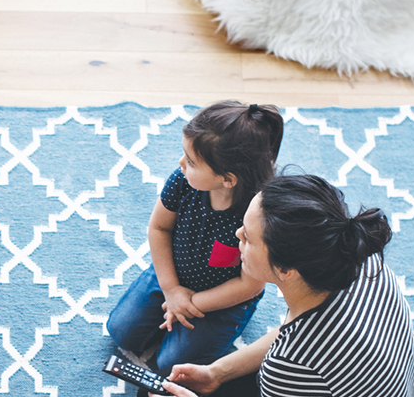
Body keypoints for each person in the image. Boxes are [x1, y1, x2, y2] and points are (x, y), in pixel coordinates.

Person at [114, 173, 414, 397]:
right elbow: (294, 332)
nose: (236, 236)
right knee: (157, 393)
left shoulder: (294, 361)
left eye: (248, 237)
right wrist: (216, 373)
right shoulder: (360, 261)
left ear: (286, 269)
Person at [106, 101, 285, 373]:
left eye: (190, 162)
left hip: (224, 300)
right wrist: (171, 289)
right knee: (121, 332)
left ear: (227, 179)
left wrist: (189, 303)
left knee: (170, 364)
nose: (181, 163)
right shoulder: (183, 180)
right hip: (173, 275)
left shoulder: (257, 215)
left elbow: (250, 285)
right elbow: (159, 228)